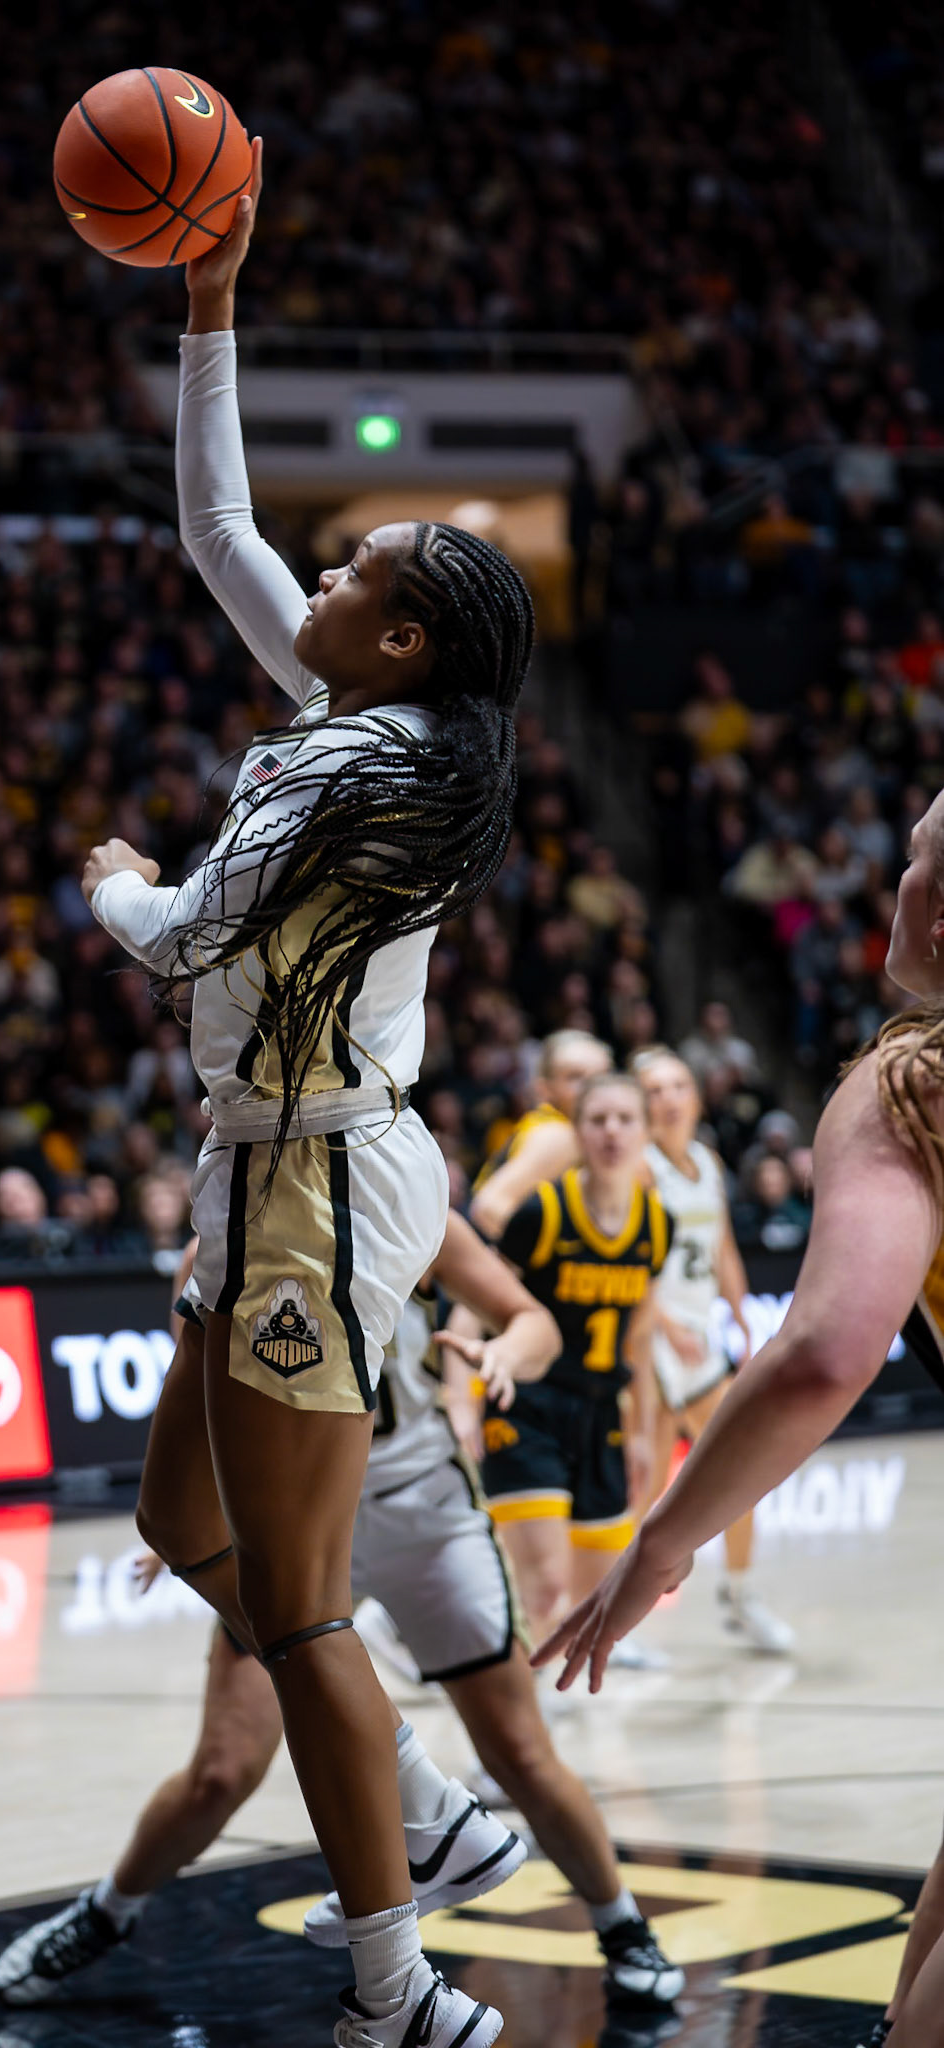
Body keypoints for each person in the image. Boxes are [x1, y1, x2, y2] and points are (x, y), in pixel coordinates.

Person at [82, 143, 534, 2048]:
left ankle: (399, 1985)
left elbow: (180, 937)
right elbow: (216, 524)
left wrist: (100, 879)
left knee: (309, 1603)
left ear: (402, 638)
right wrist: (210, 300)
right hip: (273, 1167)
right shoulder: (382, 724)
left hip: (313, 1189)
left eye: (356, 572)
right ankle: (425, 1811)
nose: (324, 569)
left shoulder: (345, 771)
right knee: (180, 1518)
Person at [0, 1215, 683, 2013]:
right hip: (295, 1518)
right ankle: (106, 1913)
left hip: (422, 1510)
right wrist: (187, 1508)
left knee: (521, 1753)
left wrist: (501, 1357)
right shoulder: (222, 1230)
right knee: (221, 1769)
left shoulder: (405, 1197)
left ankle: (623, 1926)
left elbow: (532, 1323)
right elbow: (200, 1396)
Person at [533, 789, 944, 2048]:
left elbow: (826, 1348)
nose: (896, 875)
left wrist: (666, 1536)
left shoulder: (911, 1082)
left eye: (917, 857)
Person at [478, 1073, 666, 1658]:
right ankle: (515, 1730)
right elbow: (473, 1312)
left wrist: (639, 1434)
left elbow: (640, 1341)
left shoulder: (657, 1224)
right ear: (577, 1133)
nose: (612, 1132)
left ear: (646, 1130)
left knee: (592, 1592)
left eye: (625, 1120)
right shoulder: (540, 1212)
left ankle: (405, 1619)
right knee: (544, 1586)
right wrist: (463, 1402)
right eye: (598, 1120)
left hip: (602, 1411)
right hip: (528, 1404)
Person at [632, 1046, 796, 1655]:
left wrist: (739, 1311)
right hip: (648, 1342)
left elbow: (721, 1242)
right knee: (643, 1484)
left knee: (740, 1466)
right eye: (655, 1088)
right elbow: (631, 1254)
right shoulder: (640, 1165)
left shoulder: (705, 1158)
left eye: (679, 1084)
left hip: (698, 1341)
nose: (670, 1097)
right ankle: (610, 1606)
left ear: (696, 1095)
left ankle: (740, 1593)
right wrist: (664, 1321)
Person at [468, 1029, 613, 1240]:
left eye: (601, 1077)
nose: (591, 1087)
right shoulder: (559, 1135)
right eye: (575, 1077)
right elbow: (489, 1208)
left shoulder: (565, 1129)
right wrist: (545, 1263)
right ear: (544, 1089)